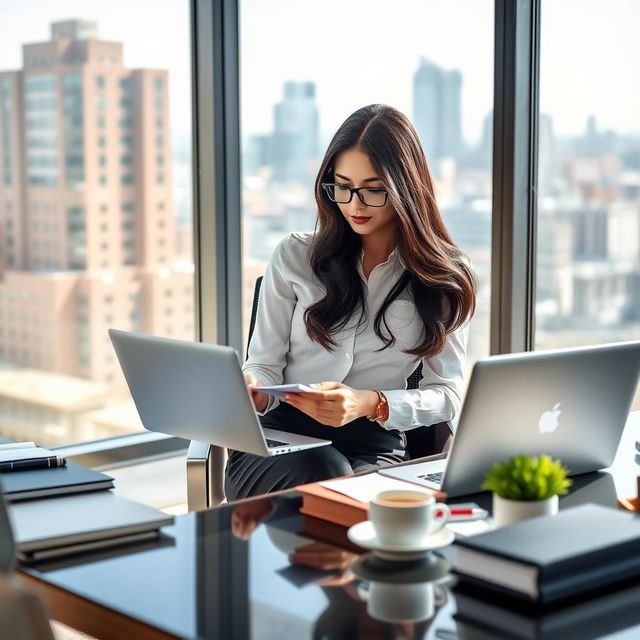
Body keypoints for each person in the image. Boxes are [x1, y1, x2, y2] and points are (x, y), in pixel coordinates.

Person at [225, 104, 476, 501]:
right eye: (342, 186)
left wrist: (370, 404)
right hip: (278, 440)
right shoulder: (294, 258)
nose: (354, 205)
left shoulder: (444, 278)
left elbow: (448, 393)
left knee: (358, 493)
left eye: (373, 190)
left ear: (406, 188)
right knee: (326, 472)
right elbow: (263, 364)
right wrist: (254, 386)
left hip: (374, 445)